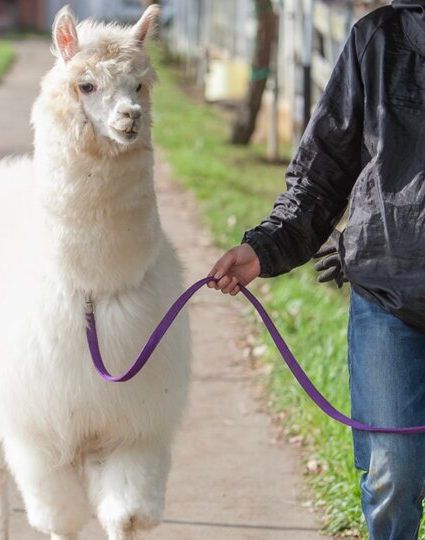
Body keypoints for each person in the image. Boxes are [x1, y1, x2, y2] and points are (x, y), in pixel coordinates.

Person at [208, 2, 425, 539]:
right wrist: (265, 248)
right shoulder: (377, 39)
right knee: (393, 473)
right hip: (387, 295)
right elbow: (320, 175)